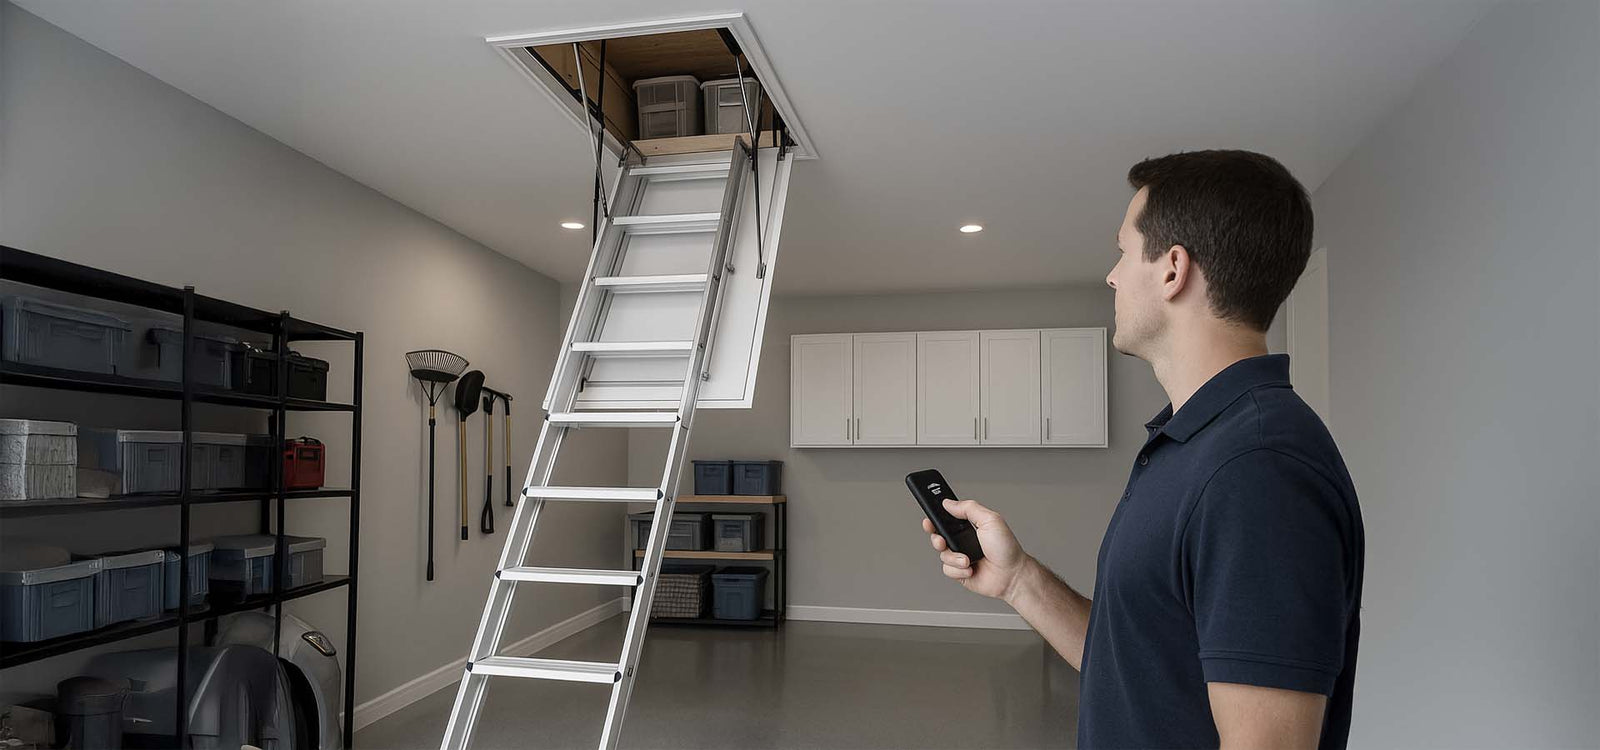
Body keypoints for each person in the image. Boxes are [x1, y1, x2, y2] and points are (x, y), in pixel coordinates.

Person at [922, 150, 1364, 749]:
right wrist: (1018, 578)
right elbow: (1135, 667)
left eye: (1124, 251)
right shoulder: (1196, 443)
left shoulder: (1258, 469)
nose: (1110, 275)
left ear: (1172, 269)